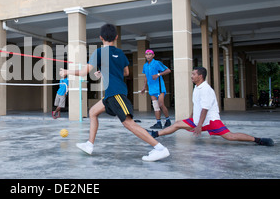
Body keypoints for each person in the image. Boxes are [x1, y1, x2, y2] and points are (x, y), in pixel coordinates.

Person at [59, 24, 170, 162]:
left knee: (128, 123)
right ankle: (89, 145)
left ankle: (160, 148)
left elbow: (83, 72)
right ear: (116, 37)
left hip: (115, 93)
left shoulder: (98, 52)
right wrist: (105, 72)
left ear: (100, 37)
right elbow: (126, 73)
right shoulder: (121, 53)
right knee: (93, 112)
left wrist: (66, 72)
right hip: (112, 93)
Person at [147, 67, 274, 146]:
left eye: (193, 74)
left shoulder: (205, 89)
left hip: (210, 120)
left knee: (230, 136)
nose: (191, 76)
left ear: (200, 76)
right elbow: (196, 105)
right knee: (177, 124)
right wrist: (191, 117)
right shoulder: (197, 87)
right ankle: (155, 134)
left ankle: (258, 140)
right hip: (197, 120)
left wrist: (199, 126)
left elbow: (205, 109)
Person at [141, 49, 172, 129]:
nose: (148, 56)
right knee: (155, 106)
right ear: (145, 56)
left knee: (161, 104)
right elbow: (146, 76)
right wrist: (144, 87)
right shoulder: (145, 65)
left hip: (159, 88)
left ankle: (168, 120)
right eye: (147, 54)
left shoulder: (157, 63)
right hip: (151, 88)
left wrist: (158, 74)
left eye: (150, 54)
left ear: (153, 55)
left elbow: (168, 70)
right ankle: (158, 123)